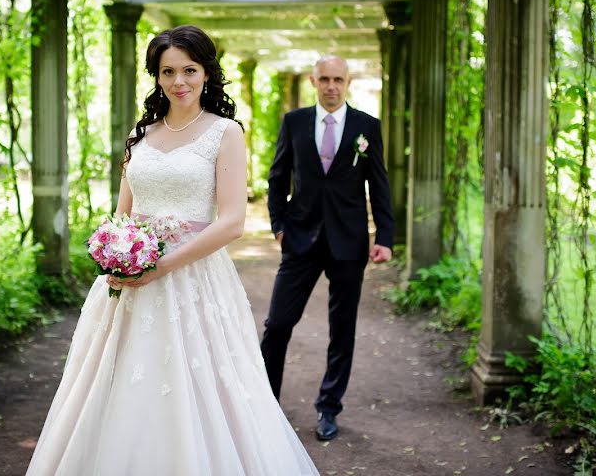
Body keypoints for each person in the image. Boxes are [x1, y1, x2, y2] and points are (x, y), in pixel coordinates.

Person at [26, 25, 318, 475]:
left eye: (189, 70)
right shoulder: (140, 134)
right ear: (156, 76)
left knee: (195, 385)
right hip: (129, 279)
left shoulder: (225, 134)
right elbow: (122, 213)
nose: (178, 81)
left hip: (192, 278)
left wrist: (160, 266)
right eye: (167, 71)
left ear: (206, 73)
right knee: (117, 384)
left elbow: (232, 222)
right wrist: (115, 254)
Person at [261, 55, 394, 442]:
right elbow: (277, 176)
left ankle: (328, 407)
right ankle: (267, 405)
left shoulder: (367, 126)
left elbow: (379, 184)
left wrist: (384, 236)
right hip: (299, 238)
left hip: (348, 242)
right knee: (277, 325)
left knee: (342, 328)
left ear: (348, 82)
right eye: (325, 79)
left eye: (338, 79)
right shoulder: (295, 122)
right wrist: (278, 226)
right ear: (313, 81)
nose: (331, 85)